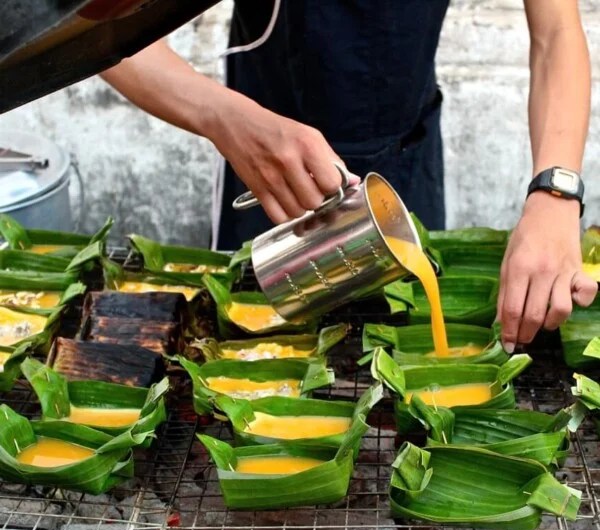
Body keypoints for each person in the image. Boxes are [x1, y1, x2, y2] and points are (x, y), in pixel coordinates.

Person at [101, 0, 597, 352]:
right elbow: (94, 29)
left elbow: (556, 32)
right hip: (275, 177)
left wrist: (555, 191)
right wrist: (224, 118)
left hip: (403, 166)